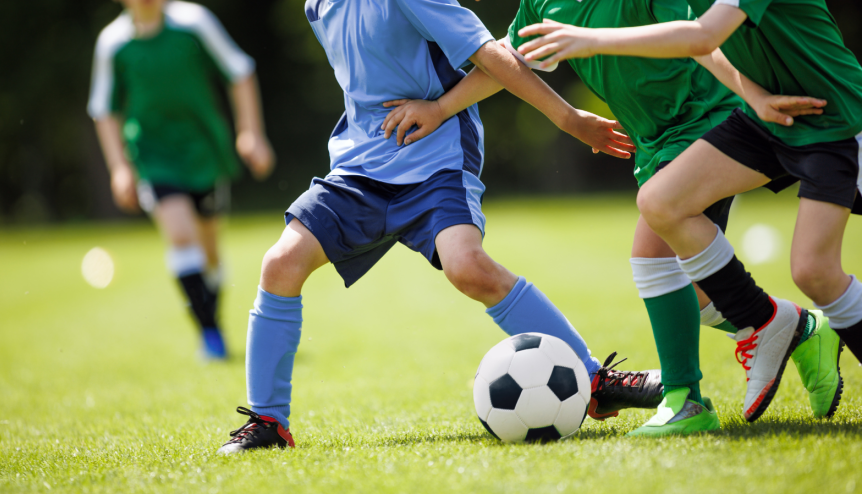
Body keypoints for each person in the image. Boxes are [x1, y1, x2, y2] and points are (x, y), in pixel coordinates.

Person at [216, 0, 662, 454]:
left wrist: (567, 118)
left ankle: (593, 379)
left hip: (437, 162)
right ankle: (269, 422)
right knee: (280, 264)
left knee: (469, 268)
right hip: (358, 171)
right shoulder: (317, 7)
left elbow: (494, 55)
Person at [379, 0, 842, 435]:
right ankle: (793, 326)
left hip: (708, 120)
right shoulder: (542, 2)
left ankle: (686, 401)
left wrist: (750, 93)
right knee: (696, 297)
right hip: (654, 141)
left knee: (652, 256)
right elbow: (510, 59)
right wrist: (441, 108)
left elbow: (701, 40)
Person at [515, 0, 862, 422]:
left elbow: (700, 36)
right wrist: (753, 94)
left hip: (832, 121)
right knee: (667, 218)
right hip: (766, 119)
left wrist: (589, 40)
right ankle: (772, 323)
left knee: (813, 272)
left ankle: (708, 378)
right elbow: (702, 38)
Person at [88, 0, 274, 359]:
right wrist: (119, 167)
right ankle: (209, 334)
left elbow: (240, 72)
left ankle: (211, 318)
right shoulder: (112, 43)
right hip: (153, 156)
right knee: (180, 234)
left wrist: (251, 131)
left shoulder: (194, 23)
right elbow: (104, 110)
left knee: (209, 249)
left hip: (203, 150)